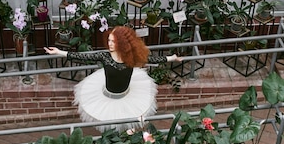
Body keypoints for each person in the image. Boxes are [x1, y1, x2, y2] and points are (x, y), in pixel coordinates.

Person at [44, 26, 182, 130]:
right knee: (110, 127)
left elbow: (153, 59)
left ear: (122, 43)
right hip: (107, 97)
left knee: (125, 127)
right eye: (109, 40)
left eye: (113, 41)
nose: (109, 44)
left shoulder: (132, 57)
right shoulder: (104, 56)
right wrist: (59, 52)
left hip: (127, 96)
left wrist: (173, 58)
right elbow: (82, 56)